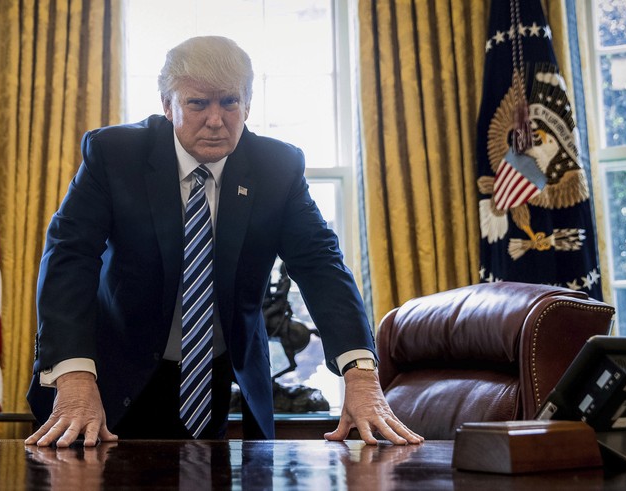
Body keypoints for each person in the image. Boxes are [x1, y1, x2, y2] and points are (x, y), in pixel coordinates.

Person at [25, 36, 423, 447]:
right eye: (198, 103)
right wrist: (73, 377)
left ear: (247, 105)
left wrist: (360, 375)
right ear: (168, 105)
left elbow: (321, 265)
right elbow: (69, 257)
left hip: (212, 381)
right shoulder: (115, 154)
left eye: (229, 102)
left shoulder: (277, 168)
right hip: (108, 380)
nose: (216, 119)